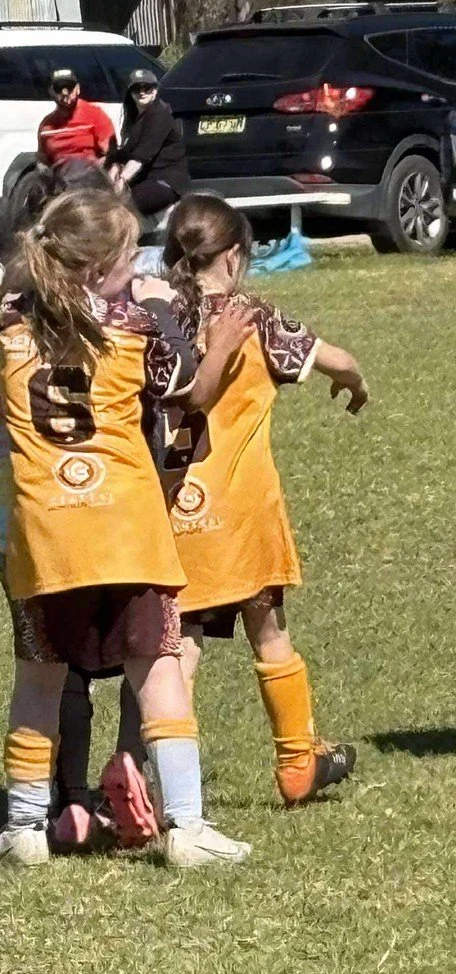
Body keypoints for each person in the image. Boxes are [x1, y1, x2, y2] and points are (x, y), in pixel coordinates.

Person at [0, 189, 249, 867]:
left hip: (42, 532)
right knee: (160, 668)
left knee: (38, 679)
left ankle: (24, 827)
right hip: (126, 527)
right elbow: (186, 385)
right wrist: (191, 323)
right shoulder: (135, 325)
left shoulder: (7, 327)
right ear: (103, 263)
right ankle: (188, 827)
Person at [160, 194, 369, 807]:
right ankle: (297, 760)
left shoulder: (156, 316)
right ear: (233, 255)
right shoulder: (252, 317)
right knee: (268, 629)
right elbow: (340, 359)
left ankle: (160, 783)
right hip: (243, 512)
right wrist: (353, 383)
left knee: (182, 642)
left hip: (175, 503)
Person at [107, 68, 189, 217]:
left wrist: (122, 181)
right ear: (130, 92)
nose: (142, 92)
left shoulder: (159, 115)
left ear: (155, 91)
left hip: (165, 180)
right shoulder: (135, 118)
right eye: (136, 89)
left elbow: (141, 156)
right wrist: (113, 167)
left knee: (123, 206)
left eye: (147, 88)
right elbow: (124, 154)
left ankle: (126, 238)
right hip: (144, 180)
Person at [36, 68, 115, 170]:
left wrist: (96, 169)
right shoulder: (46, 126)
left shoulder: (95, 115)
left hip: (90, 176)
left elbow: (110, 154)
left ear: (78, 89)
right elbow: (42, 160)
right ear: (51, 92)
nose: (65, 93)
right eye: (58, 88)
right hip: (59, 178)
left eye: (69, 87)